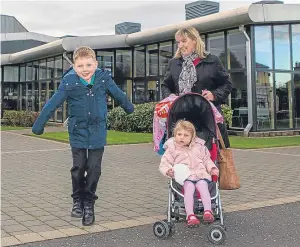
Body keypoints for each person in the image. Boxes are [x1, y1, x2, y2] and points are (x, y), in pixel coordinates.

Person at [32, 46, 134, 226]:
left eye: (88, 64)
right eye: (80, 66)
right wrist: (39, 125)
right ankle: (77, 199)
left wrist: (129, 107)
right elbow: (52, 103)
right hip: (78, 131)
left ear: (95, 63)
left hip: (97, 131)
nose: (85, 69)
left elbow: (119, 95)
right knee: (79, 167)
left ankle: (89, 203)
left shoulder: (103, 79)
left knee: (94, 168)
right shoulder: (69, 82)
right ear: (74, 66)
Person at [161, 27, 232, 147]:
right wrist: (170, 96)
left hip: (207, 119)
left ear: (194, 40)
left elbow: (227, 84)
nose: (180, 45)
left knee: (208, 157)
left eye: (184, 41)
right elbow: (165, 85)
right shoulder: (174, 63)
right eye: (178, 42)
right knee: (182, 157)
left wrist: (214, 95)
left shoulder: (212, 61)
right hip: (181, 119)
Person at [159, 120, 219, 227]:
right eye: (179, 134)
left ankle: (208, 211)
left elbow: (207, 160)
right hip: (185, 177)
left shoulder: (200, 146)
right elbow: (165, 162)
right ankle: (190, 215)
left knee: (203, 186)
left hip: (200, 174)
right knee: (189, 188)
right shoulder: (172, 148)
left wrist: (212, 168)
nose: (182, 137)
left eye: (186, 135)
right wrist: (168, 170)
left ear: (192, 137)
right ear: (175, 134)